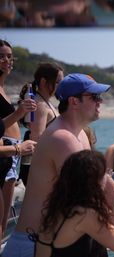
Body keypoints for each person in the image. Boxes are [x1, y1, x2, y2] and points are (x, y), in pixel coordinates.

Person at [2, 73, 114, 257]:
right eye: (94, 97)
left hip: (51, 241)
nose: (100, 101)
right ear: (74, 102)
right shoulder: (62, 138)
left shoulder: (79, 133)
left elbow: (103, 179)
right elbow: (87, 193)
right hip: (33, 244)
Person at [0, 39, 37, 239]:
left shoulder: (2, 88)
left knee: (3, 223)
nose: (7, 60)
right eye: (1, 56)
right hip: (7, 152)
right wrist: (18, 149)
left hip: (13, 153)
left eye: (9, 56)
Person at [18, 62, 64, 185]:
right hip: (38, 167)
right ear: (43, 82)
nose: (61, 86)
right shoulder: (40, 105)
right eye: (58, 82)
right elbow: (37, 138)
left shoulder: (45, 102)